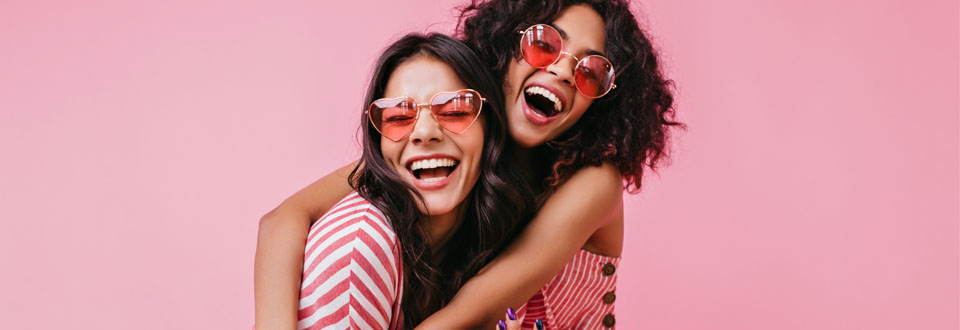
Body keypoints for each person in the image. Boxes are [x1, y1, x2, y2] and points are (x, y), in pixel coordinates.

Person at [255, 0, 680, 328]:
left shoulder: (593, 183)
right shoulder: (459, 137)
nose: (566, 73)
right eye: (545, 45)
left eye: (592, 71)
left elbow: (468, 314)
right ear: (506, 46)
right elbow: (284, 218)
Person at [284, 33, 534, 330]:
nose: (425, 132)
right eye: (399, 117)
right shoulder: (360, 247)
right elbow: (278, 220)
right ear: (378, 143)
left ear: (489, 128)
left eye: (454, 111)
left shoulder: (489, 237)